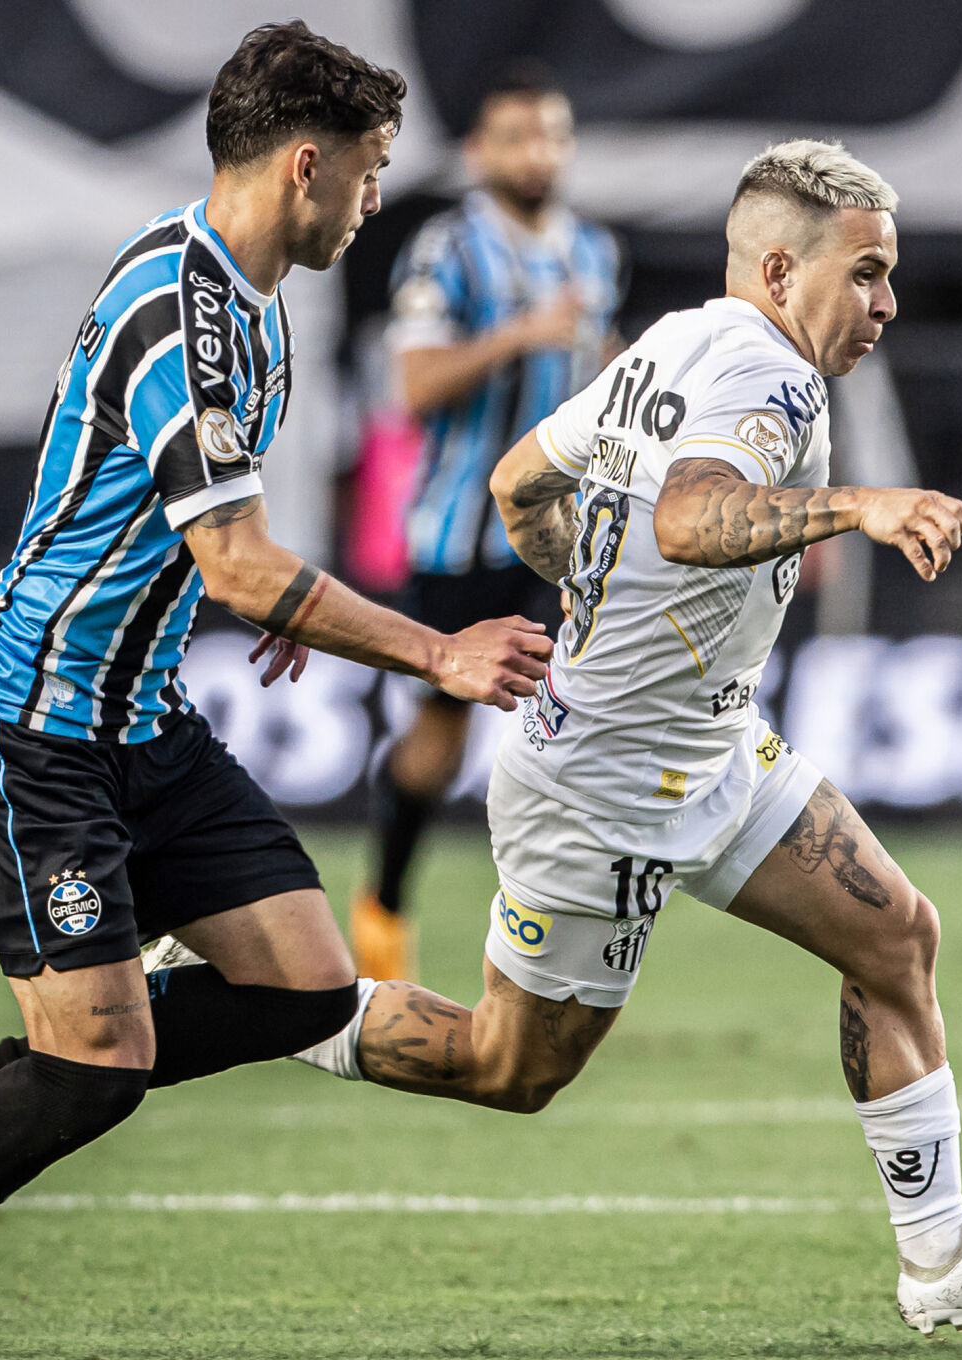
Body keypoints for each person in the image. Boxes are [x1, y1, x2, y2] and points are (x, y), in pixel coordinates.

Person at [0, 22, 550, 1360]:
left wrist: (245, 590)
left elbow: (205, 542)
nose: (374, 201)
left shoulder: (254, 302)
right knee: (104, 1069)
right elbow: (242, 559)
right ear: (308, 164)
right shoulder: (176, 309)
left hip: (142, 721)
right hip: (34, 723)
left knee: (308, 983)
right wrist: (429, 650)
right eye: (370, 173)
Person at [293, 139, 962, 1334]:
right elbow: (688, 513)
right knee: (507, 1071)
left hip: (707, 746)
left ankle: (939, 1258)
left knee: (894, 936)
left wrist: (586, 584)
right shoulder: (768, 376)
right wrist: (860, 506)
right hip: (602, 783)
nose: (885, 304)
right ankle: (256, 1001)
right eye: (864, 275)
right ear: (779, 269)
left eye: (888, 276)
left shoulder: (672, 340)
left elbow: (520, 483)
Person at [354, 67, 625, 981]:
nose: (536, 152)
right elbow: (415, 386)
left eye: (550, 134)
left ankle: (560, 934)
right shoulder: (446, 251)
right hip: (459, 532)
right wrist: (521, 334)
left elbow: (601, 372)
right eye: (516, 136)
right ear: (478, 153)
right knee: (440, 731)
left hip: (567, 538)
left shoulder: (592, 251)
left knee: (583, 720)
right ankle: (383, 906)